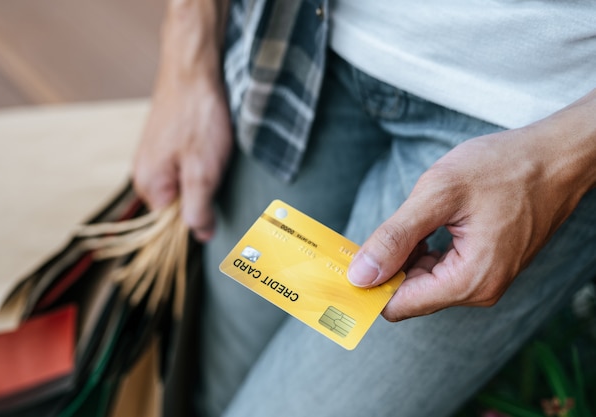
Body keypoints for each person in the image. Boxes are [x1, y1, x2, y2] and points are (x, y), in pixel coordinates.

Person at [133, 1, 596, 416]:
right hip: (300, 46)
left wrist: (564, 158)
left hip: (532, 122)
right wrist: (186, 47)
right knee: (211, 388)